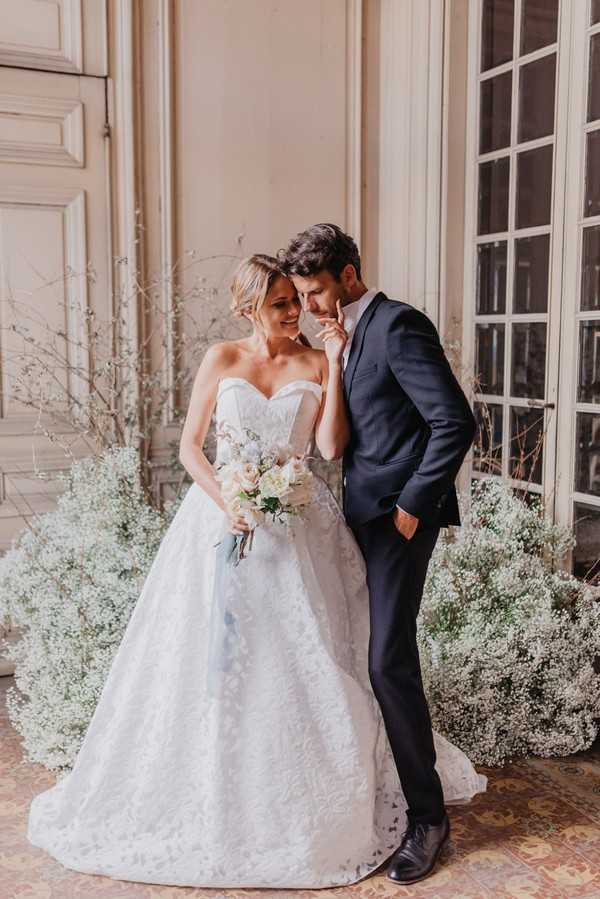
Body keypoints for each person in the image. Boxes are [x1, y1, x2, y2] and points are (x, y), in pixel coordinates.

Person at [26, 254, 486, 889]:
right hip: (224, 519)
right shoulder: (222, 359)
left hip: (301, 527)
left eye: (297, 299)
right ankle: (215, 788)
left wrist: (333, 363)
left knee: (313, 658)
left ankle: (328, 792)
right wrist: (232, 502)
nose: (294, 311)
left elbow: (328, 449)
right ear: (248, 309)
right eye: (280, 304)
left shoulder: (320, 357)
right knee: (213, 658)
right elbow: (191, 447)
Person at [281, 223, 479, 884]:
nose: (308, 305)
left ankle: (428, 819)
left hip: (397, 521)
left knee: (387, 659)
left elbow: (454, 420)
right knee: (356, 653)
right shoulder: (340, 334)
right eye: (302, 295)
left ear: (349, 273)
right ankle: (379, 790)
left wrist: (410, 508)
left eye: (315, 291)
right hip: (355, 520)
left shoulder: (397, 325)